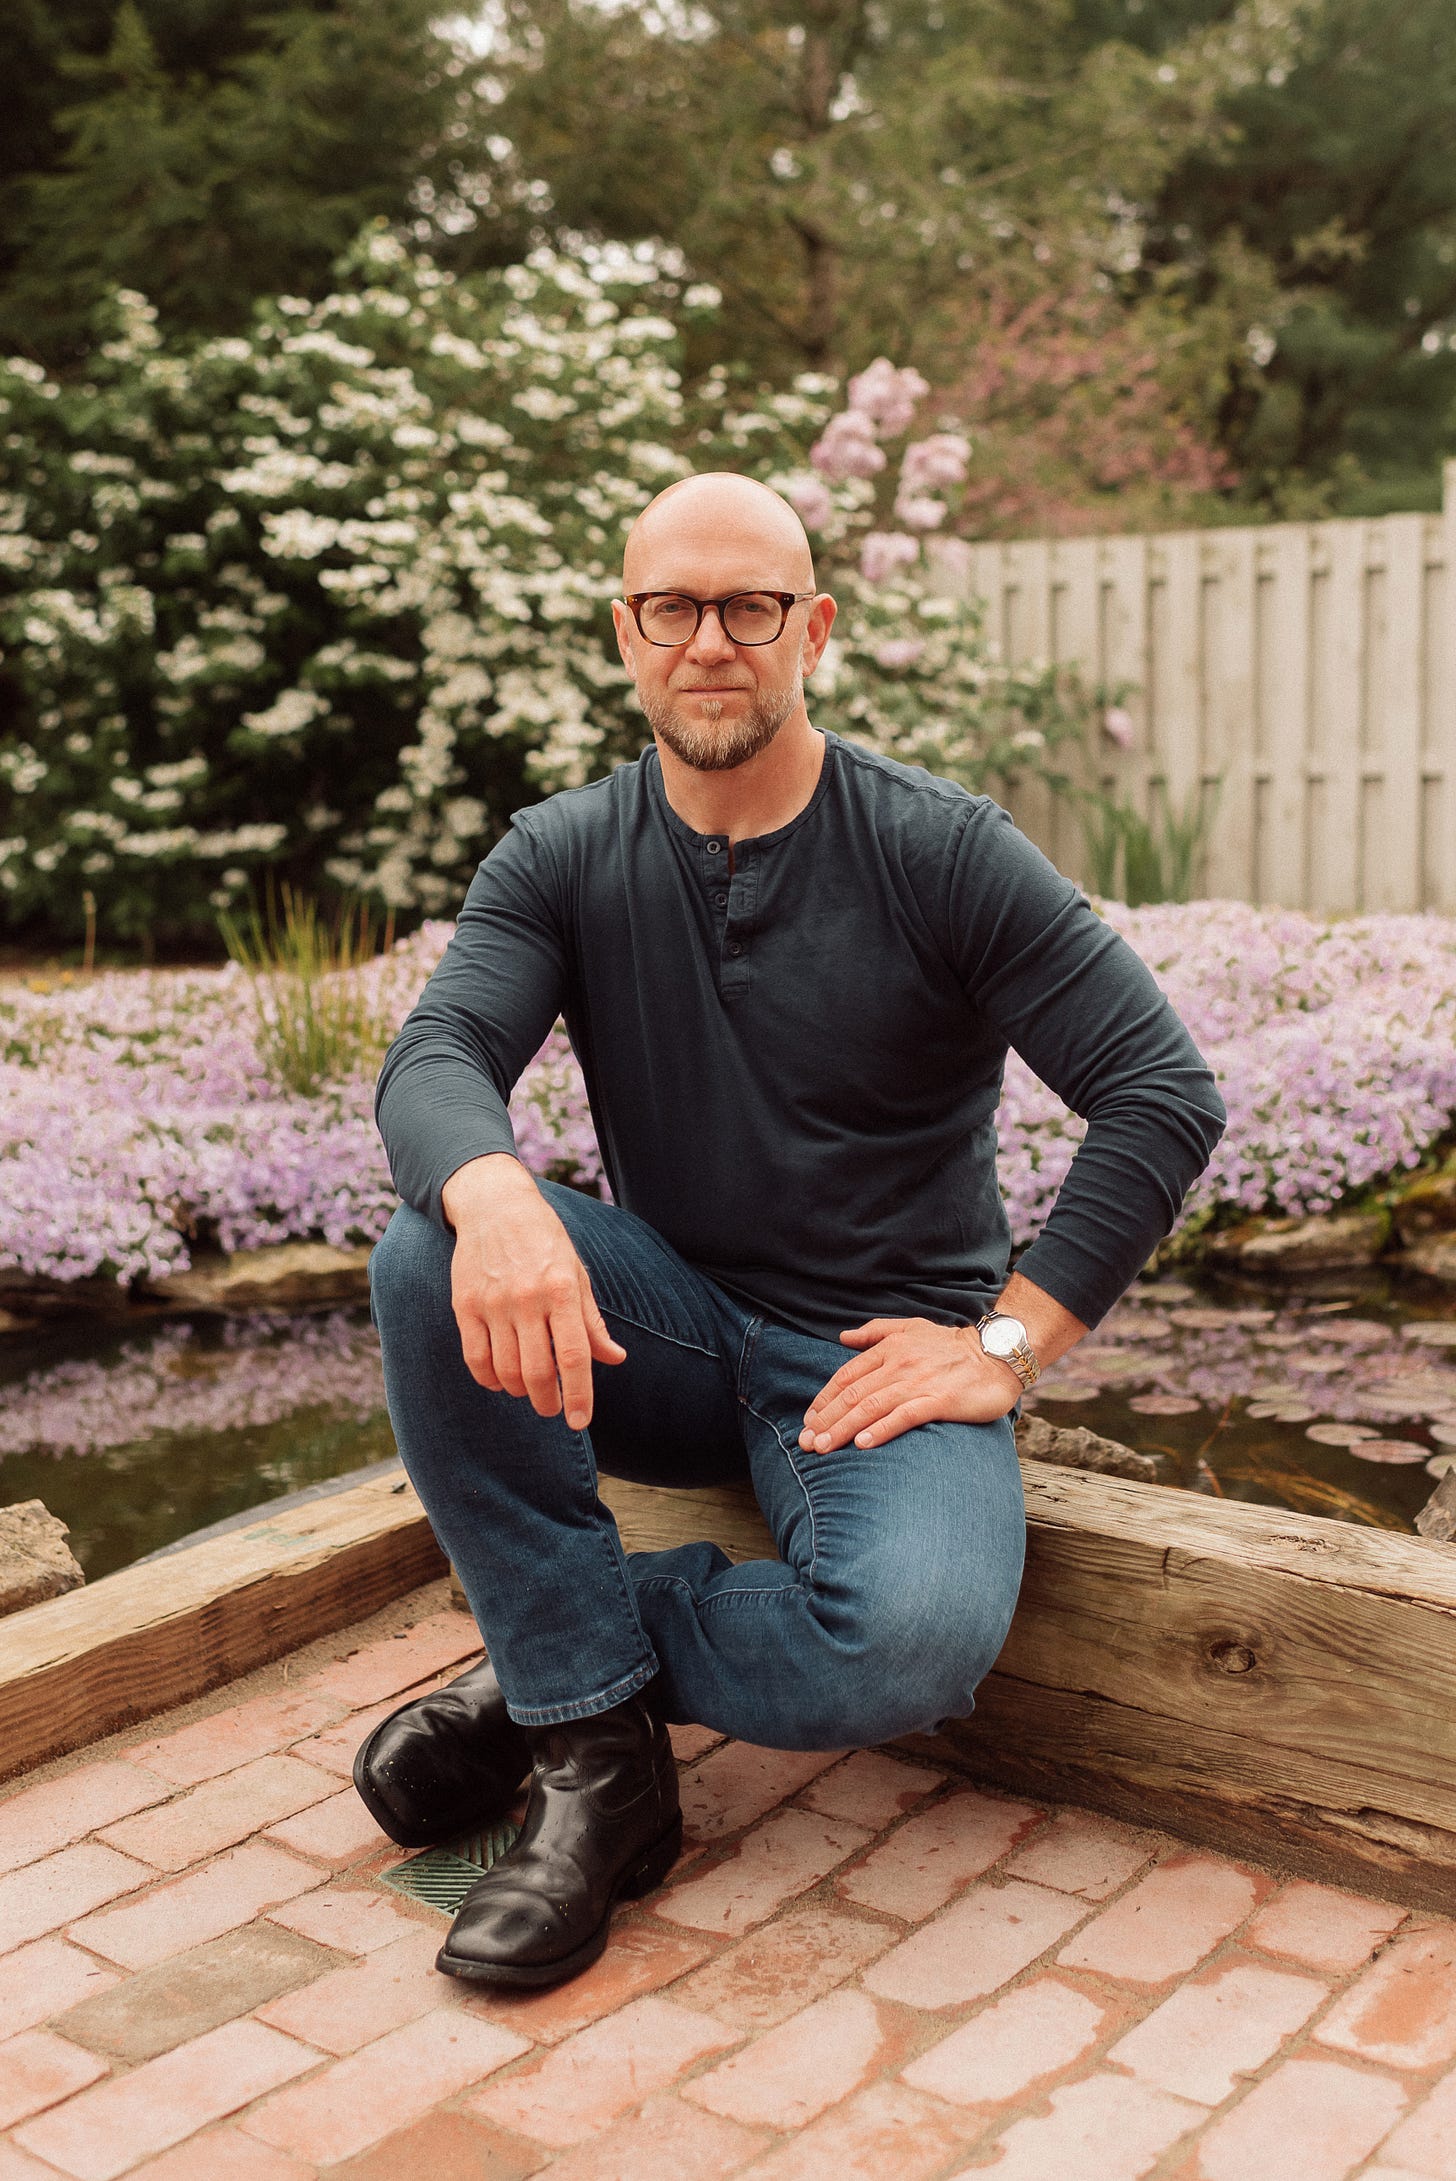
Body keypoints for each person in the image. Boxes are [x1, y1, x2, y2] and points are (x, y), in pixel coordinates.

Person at [358, 472, 1227, 1992]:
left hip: (883, 1354)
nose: (713, 641)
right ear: (626, 635)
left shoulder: (941, 849)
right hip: (677, 1328)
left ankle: (556, 1672)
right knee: (426, 1249)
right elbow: (433, 1060)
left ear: (811, 628)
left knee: (908, 1640)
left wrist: (1006, 1344)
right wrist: (492, 1191)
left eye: (750, 606)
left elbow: (1160, 1090)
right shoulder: (559, 853)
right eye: (673, 608)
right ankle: (605, 1780)